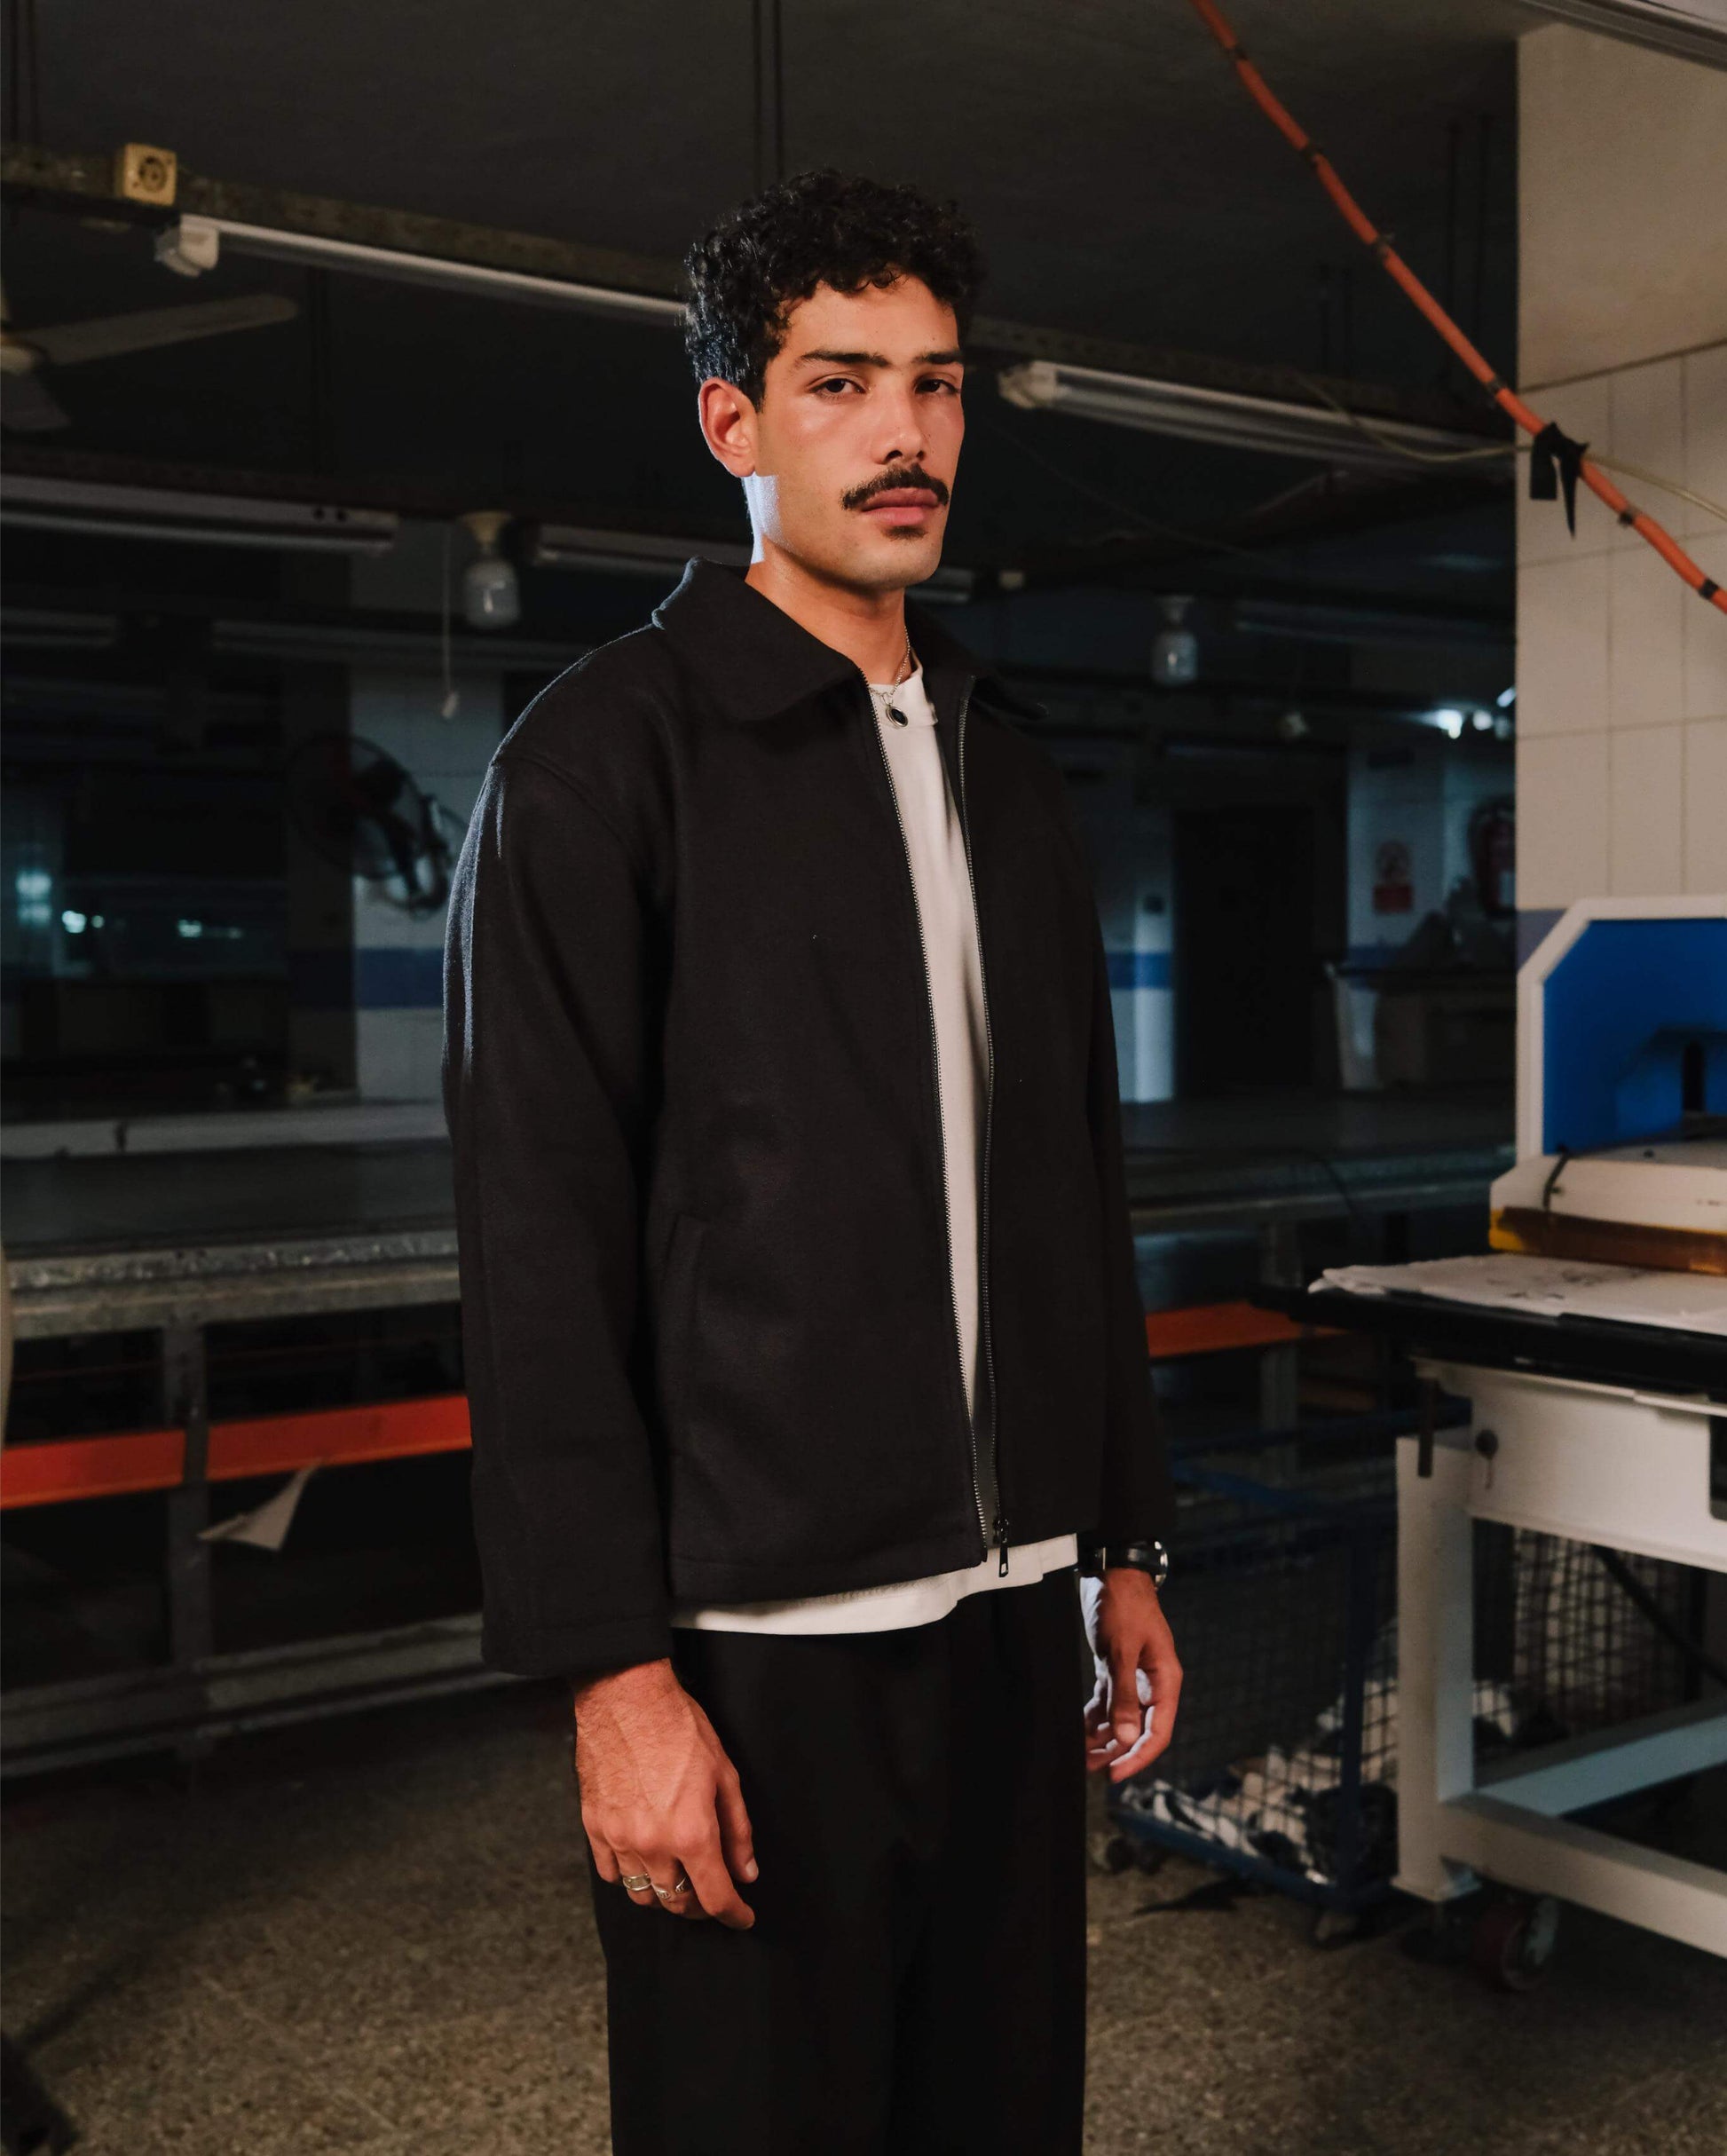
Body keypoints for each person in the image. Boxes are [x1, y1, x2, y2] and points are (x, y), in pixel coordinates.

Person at [442, 168, 1182, 2156]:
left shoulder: (1002, 773)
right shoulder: (607, 764)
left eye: (936, 387)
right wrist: (613, 1680)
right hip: (761, 1647)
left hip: (1016, 1611)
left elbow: (1068, 1189)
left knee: (995, 2111)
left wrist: (1117, 1537)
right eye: (841, 381)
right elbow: (537, 1242)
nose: (905, 433)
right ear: (732, 423)